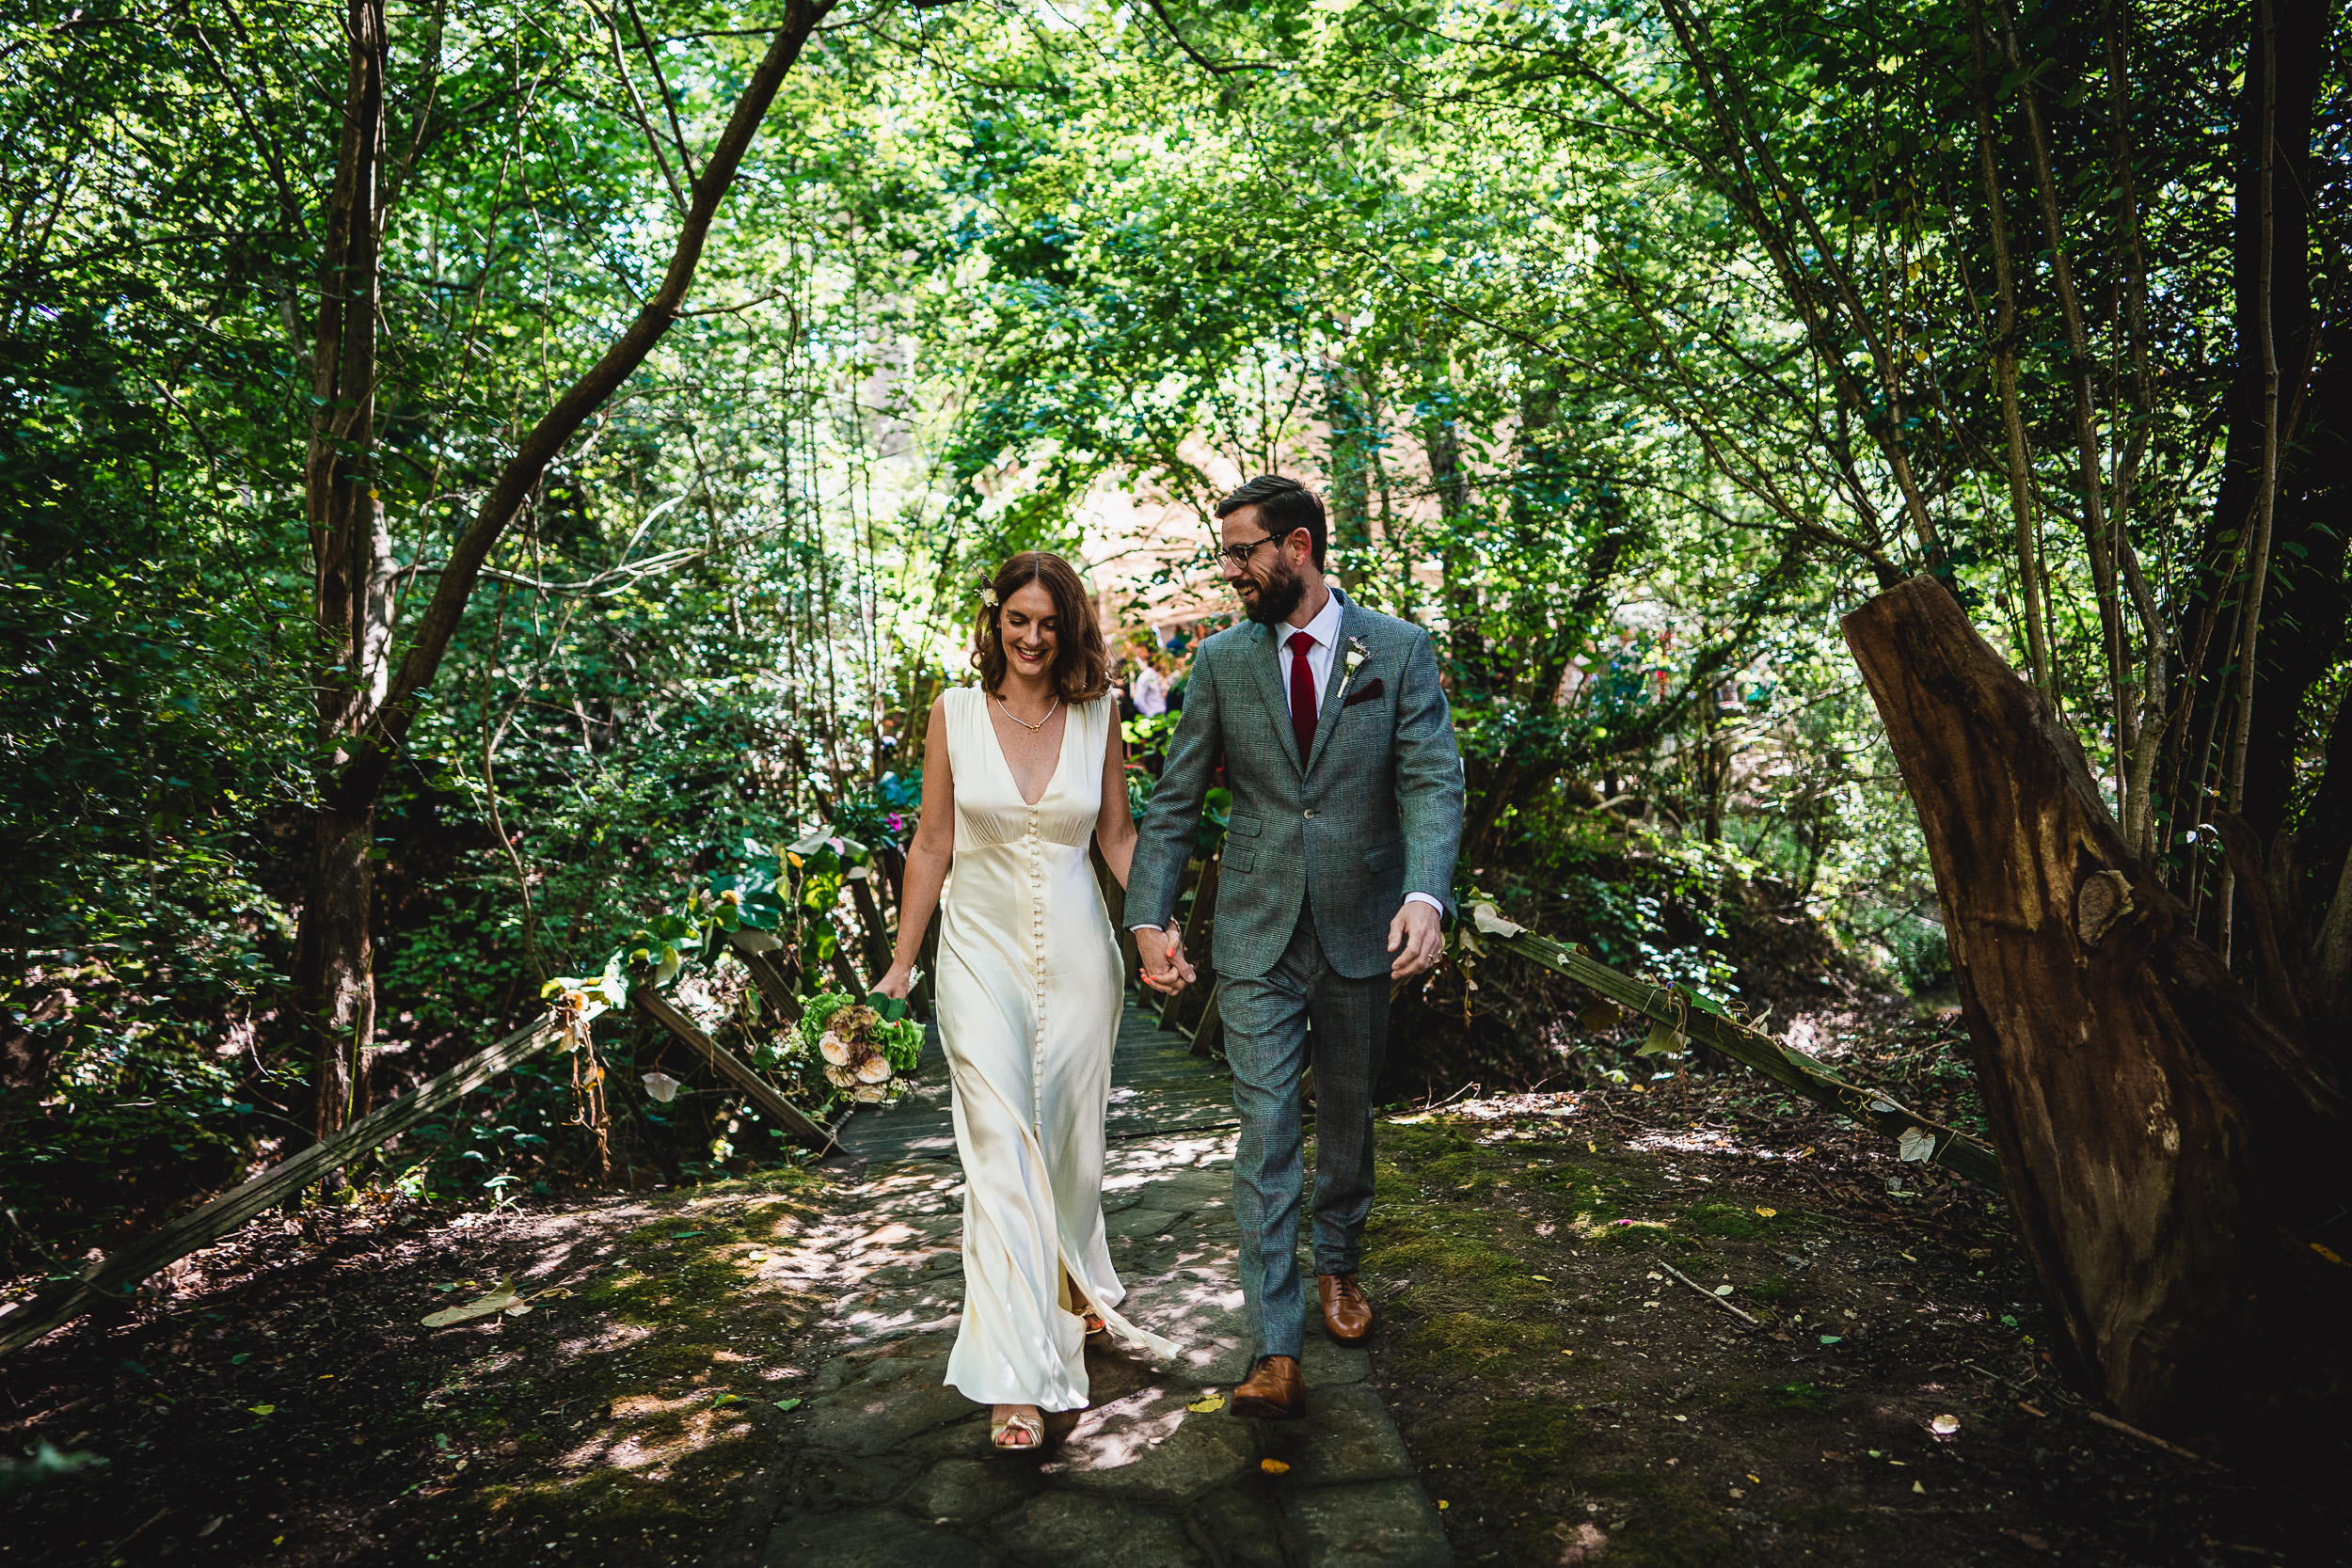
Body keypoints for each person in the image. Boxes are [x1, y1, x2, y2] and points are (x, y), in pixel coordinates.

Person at [1125, 475, 1463, 1420]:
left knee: (1347, 1122)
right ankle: (1274, 1346)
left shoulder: (1396, 651)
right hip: (1256, 934)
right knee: (1268, 1133)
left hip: (1365, 930)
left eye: (1242, 551)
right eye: (1225, 552)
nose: (1228, 569)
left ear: (1301, 546)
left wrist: (1426, 895)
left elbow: (1432, 781)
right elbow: (1177, 798)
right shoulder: (1222, 662)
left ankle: (1341, 1265)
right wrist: (1150, 915)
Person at [876, 551, 1177, 1451]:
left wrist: (1152, 930)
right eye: (1018, 620)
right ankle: (1015, 1377)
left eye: (1050, 622)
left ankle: (1071, 1279)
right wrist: (902, 964)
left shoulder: (1099, 715)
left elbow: (1118, 836)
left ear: (1069, 624)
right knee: (1000, 1150)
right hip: (977, 955)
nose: (1034, 638)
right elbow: (931, 842)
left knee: (1071, 1151)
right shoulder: (954, 714)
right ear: (994, 619)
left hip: (1084, 959)